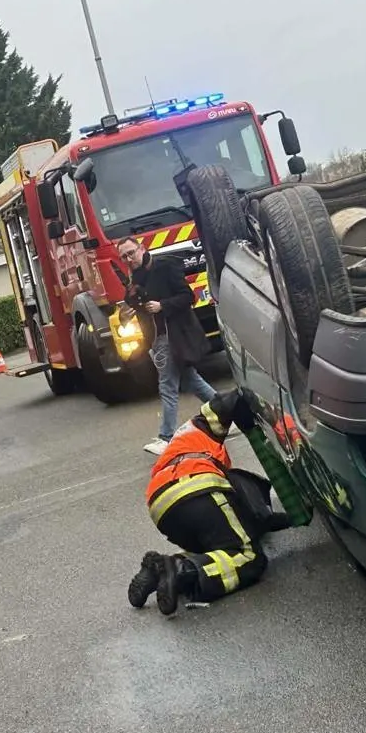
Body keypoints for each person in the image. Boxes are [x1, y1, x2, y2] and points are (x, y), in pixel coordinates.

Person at [128, 389, 292, 615]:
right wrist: (268, 422)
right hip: (196, 486)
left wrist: (285, 520)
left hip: (160, 506)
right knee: (248, 557)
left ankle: (159, 570)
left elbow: (250, 523)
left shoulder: (183, 441)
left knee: (218, 553)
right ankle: (182, 569)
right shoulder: (201, 426)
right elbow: (231, 399)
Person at [117, 235, 216, 456]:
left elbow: (188, 297)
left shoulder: (165, 266)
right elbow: (131, 305)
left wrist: (162, 305)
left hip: (173, 335)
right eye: (123, 257)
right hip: (157, 339)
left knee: (167, 385)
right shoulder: (134, 278)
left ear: (142, 248)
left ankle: (166, 437)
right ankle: (231, 411)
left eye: (131, 253)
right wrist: (126, 314)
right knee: (192, 381)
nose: (128, 259)